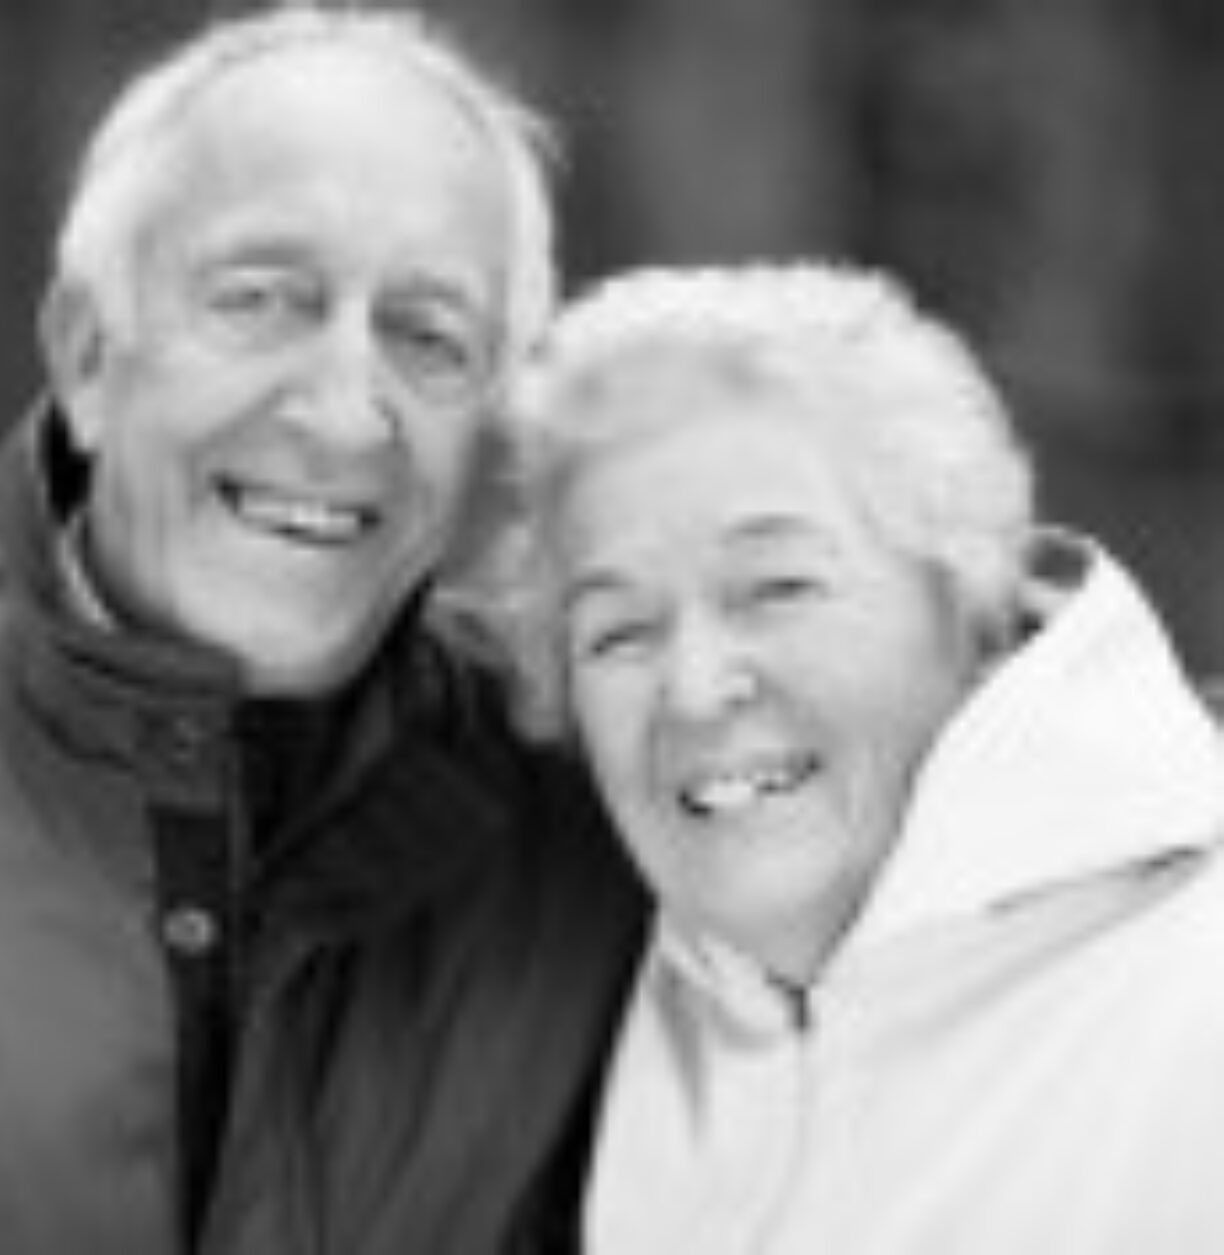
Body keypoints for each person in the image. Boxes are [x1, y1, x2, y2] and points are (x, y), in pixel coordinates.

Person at [0, 7, 644, 1254]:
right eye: (259, 300)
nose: (344, 413)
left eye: (429, 336)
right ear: (87, 354)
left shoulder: (599, 813)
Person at [459, 259, 1224, 1253]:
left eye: (777, 587)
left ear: (972, 603)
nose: (693, 689)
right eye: (618, 632)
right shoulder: (635, 1001)